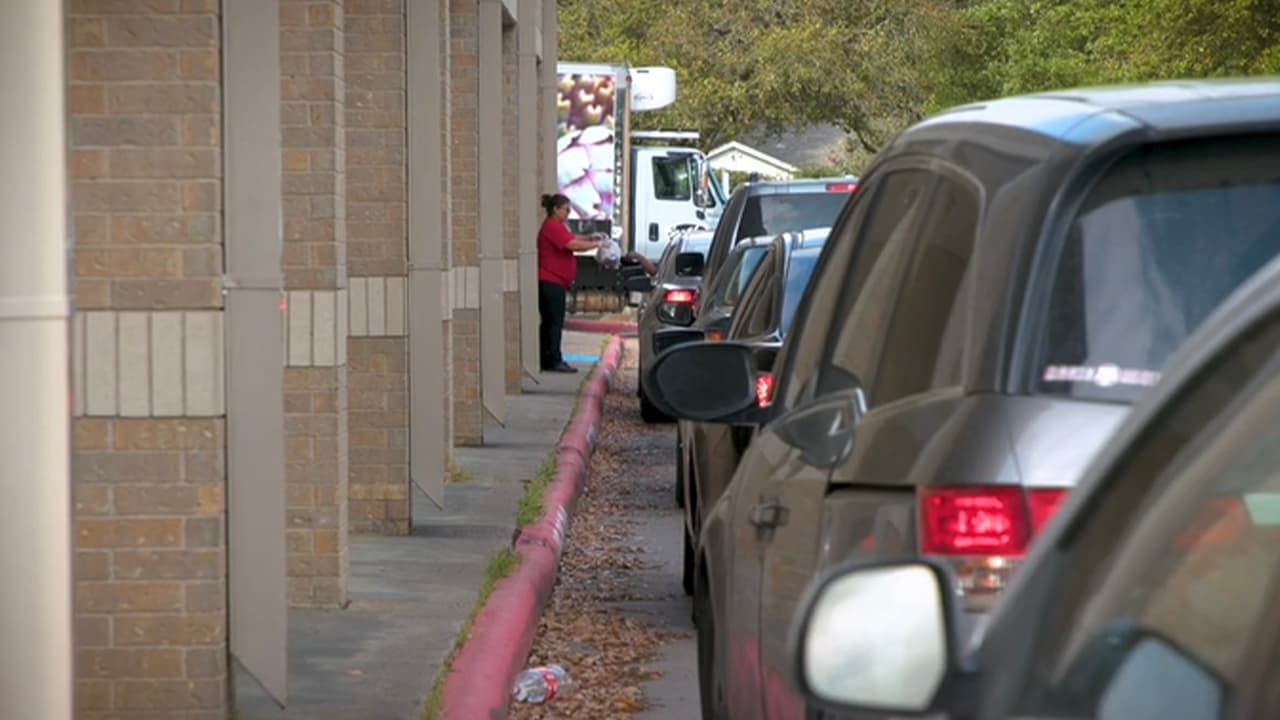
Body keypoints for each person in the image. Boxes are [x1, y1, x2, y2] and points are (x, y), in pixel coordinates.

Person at [538, 193, 604, 373]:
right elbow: (571, 245)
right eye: (566, 210)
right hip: (550, 281)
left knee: (552, 322)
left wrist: (591, 239)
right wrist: (596, 245)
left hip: (556, 281)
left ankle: (549, 357)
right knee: (554, 323)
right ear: (555, 210)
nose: (568, 213)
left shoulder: (558, 227)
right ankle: (553, 359)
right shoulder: (551, 226)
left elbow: (573, 238)